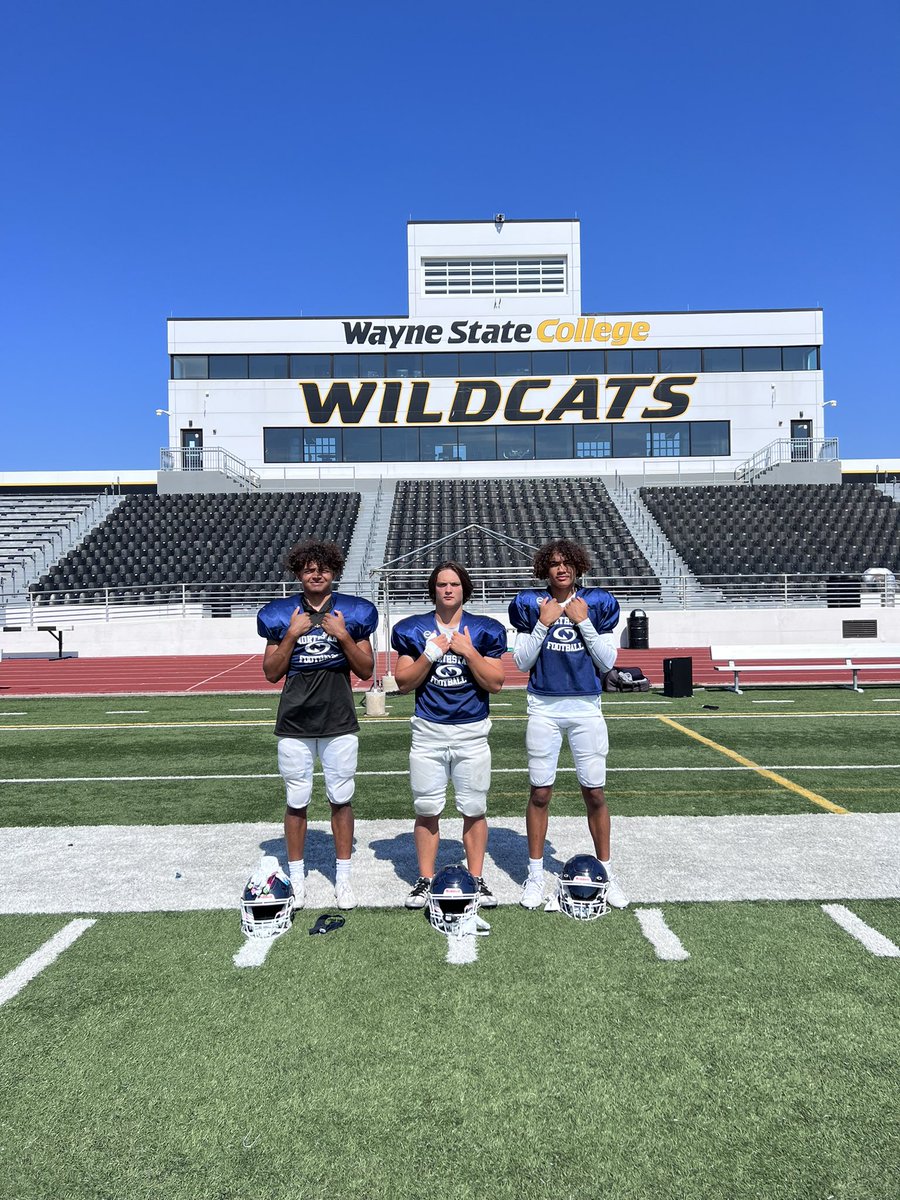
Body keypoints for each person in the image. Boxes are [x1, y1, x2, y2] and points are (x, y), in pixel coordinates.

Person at [257, 539, 378, 910]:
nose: (316, 573)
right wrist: (292, 635)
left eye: (323, 567)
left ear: (335, 571)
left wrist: (342, 636)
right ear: (298, 572)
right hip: (295, 719)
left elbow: (366, 669)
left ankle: (342, 878)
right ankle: (296, 880)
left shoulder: (353, 613)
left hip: (339, 718)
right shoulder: (281, 616)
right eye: (309, 568)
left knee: (341, 797)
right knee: (297, 800)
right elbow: (270, 673)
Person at [508, 538, 628, 910]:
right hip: (543, 706)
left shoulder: (597, 603)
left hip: (586, 707)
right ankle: (534, 874)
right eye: (554, 564)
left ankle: (606, 873)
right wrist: (544, 624)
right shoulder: (531, 605)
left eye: (567, 563)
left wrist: (584, 622)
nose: (561, 569)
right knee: (540, 792)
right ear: (544, 569)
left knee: (594, 791)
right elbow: (521, 663)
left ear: (578, 566)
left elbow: (607, 661)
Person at [391, 561, 507, 910]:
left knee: (474, 807)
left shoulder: (485, 630)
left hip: (472, 731)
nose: (448, 589)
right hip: (428, 730)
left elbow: (496, 683)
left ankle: (476, 877)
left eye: (454, 584)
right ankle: (426, 879)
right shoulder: (413, 629)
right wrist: (431, 652)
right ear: (433, 589)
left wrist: (469, 652)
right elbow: (403, 681)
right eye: (441, 584)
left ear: (464, 589)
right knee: (427, 807)